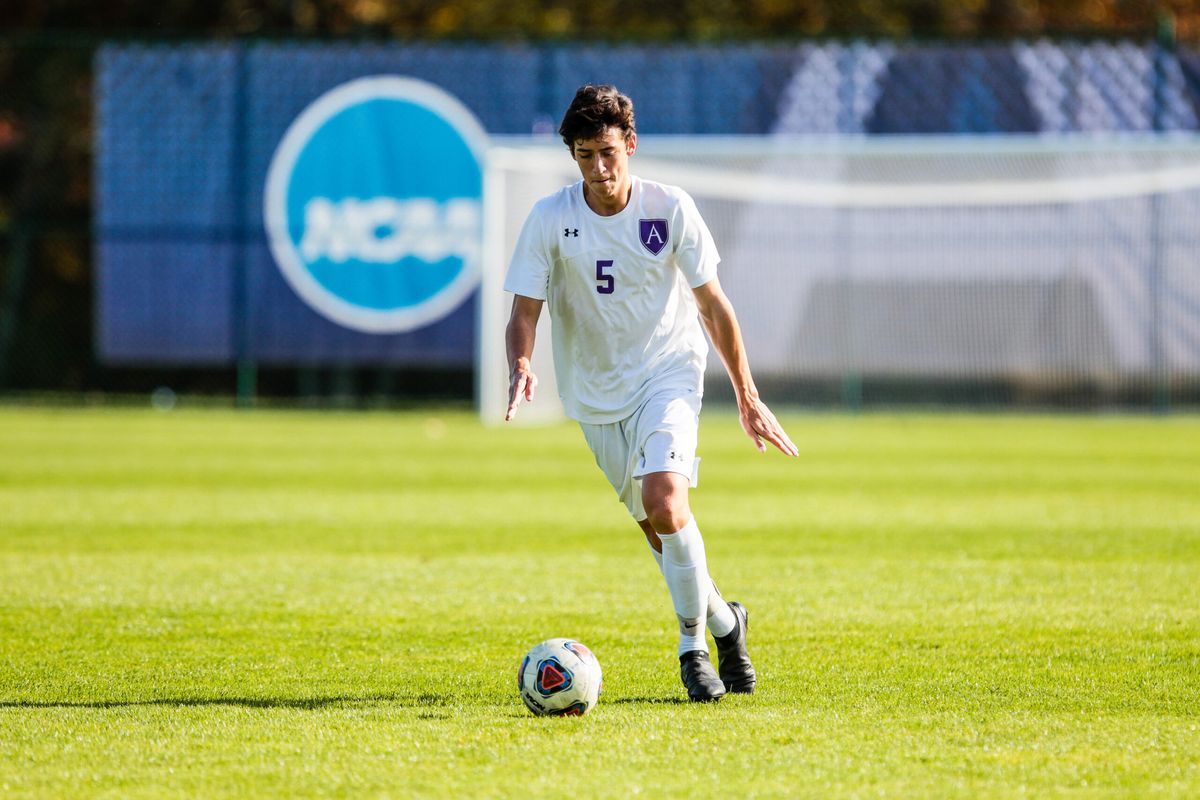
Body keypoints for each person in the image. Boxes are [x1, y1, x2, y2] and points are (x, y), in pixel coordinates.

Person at [503, 84, 798, 702]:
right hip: (594, 394)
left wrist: (747, 394)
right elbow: (523, 311)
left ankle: (693, 649)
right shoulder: (549, 219)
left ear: (630, 145)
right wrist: (523, 361)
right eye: (586, 156)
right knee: (661, 535)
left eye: (609, 153)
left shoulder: (670, 209)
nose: (600, 169)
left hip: (669, 370)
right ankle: (726, 621)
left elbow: (713, 306)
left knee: (666, 502)